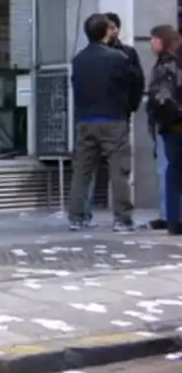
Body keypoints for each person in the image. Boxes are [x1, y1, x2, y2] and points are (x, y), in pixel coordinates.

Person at [68, 13, 142, 232]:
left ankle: (78, 217)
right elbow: (132, 85)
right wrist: (128, 108)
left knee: (82, 170)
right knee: (118, 170)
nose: (113, 32)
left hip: (85, 119)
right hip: (113, 118)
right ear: (104, 32)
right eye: (110, 29)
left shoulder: (78, 59)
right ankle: (122, 219)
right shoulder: (118, 58)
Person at [145, 25, 182, 235]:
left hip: (173, 125)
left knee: (173, 173)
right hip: (174, 123)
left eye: (155, 38)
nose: (151, 43)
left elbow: (162, 97)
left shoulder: (167, 64)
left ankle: (174, 220)